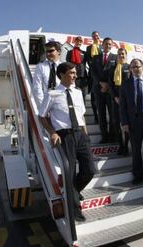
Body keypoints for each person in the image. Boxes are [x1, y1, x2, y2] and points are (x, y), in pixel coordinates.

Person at [38, 62, 95, 222]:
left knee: (90, 170)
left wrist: (86, 135)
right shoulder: (52, 94)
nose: (75, 76)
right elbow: (41, 116)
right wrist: (52, 132)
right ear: (61, 75)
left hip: (80, 135)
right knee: (69, 173)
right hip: (64, 136)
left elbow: (81, 115)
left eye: (75, 73)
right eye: (71, 73)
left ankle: (74, 192)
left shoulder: (77, 93)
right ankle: (75, 210)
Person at [91, 37, 117, 143]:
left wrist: (108, 85)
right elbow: (93, 72)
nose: (108, 45)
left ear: (112, 45)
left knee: (112, 115)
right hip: (98, 89)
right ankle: (104, 136)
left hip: (110, 90)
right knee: (101, 114)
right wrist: (101, 83)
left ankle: (112, 136)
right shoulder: (96, 57)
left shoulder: (115, 57)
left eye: (110, 44)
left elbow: (116, 73)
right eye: (106, 44)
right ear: (102, 45)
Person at [105, 48, 131, 155]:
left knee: (127, 124)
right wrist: (115, 97)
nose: (121, 55)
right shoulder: (112, 68)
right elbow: (110, 85)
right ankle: (121, 145)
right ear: (117, 56)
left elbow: (131, 85)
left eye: (123, 54)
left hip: (127, 101)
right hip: (115, 100)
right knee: (116, 123)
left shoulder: (129, 67)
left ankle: (126, 144)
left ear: (126, 55)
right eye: (119, 54)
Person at [33, 41, 62, 106]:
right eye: (46, 52)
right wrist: (43, 106)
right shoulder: (40, 67)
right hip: (46, 102)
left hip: (61, 103)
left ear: (59, 52)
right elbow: (37, 88)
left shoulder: (65, 67)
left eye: (51, 51)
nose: (48, 54)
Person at [85, 31, 103, 124]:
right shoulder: (89, 48)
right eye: (94, 36)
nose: (96, 37)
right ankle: (96, 116)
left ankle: (102, 116)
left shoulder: (102, 47)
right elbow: (86, 61)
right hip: (92, 75)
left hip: (102, 76)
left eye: (97, 35)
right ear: (92, 37)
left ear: (99, 37)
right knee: (93, 97)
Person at [66, 36, 87, 100]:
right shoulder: (70, 52)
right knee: (74, 94)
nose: (79, 42)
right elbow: (68, 63)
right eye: (77, 41)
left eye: (80, 41)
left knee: (83, 94)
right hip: (74, 76)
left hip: (83, 76)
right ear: (75, 41)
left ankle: (83, 109)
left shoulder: (84, 53)